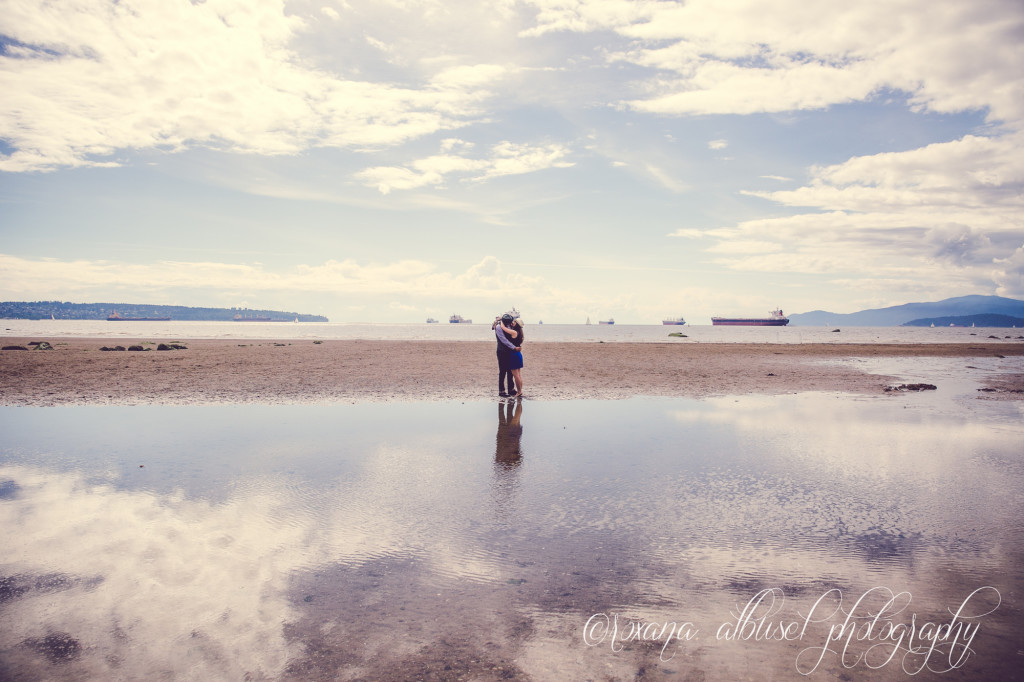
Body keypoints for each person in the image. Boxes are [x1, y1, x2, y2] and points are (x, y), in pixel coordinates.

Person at [493, 313, 519, 397]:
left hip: (509, 351)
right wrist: (514, 347)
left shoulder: (508, 326)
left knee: (510, 371)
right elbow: (503, 340)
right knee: (502, 371)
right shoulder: (498, 327)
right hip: (502, 351)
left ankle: (511, 389)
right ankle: (501, 391)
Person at [499, 313, 524, 397]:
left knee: (516, 375)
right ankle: (520, 390)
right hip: (518, 354)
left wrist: (501, 320)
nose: (512, 322)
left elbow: (503, 327)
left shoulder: (513, 332)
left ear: (516, 324)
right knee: (518, 375)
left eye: (514, 322)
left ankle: (519, 392)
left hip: (514, 355)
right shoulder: (520, 332)